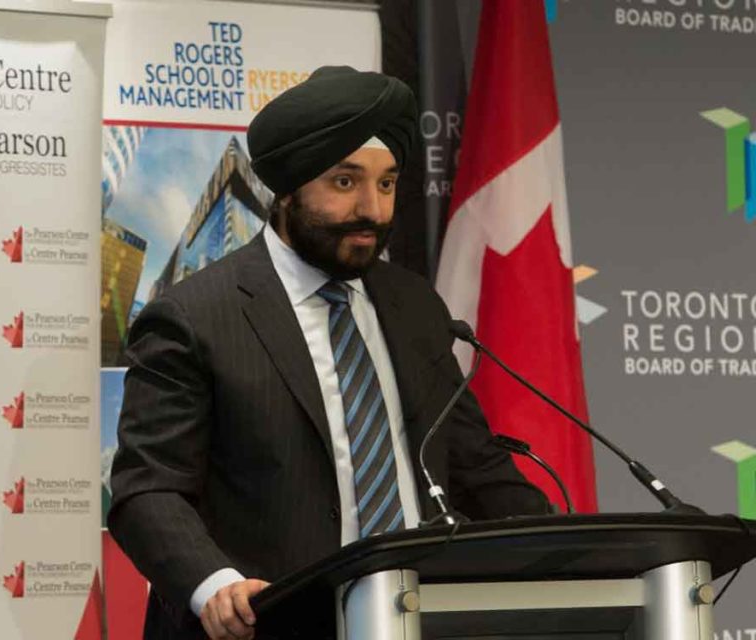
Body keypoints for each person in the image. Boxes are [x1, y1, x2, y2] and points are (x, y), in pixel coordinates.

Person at [108, 66, 549, 640]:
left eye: (387, 184)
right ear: (287, 189)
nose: (372, 208)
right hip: (272, 623)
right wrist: (214, 584)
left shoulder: (415, 306)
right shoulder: (195, 317)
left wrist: (566, 552)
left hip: (425, 619)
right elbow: (149, 491)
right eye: (346, 183)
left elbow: (475, 466)